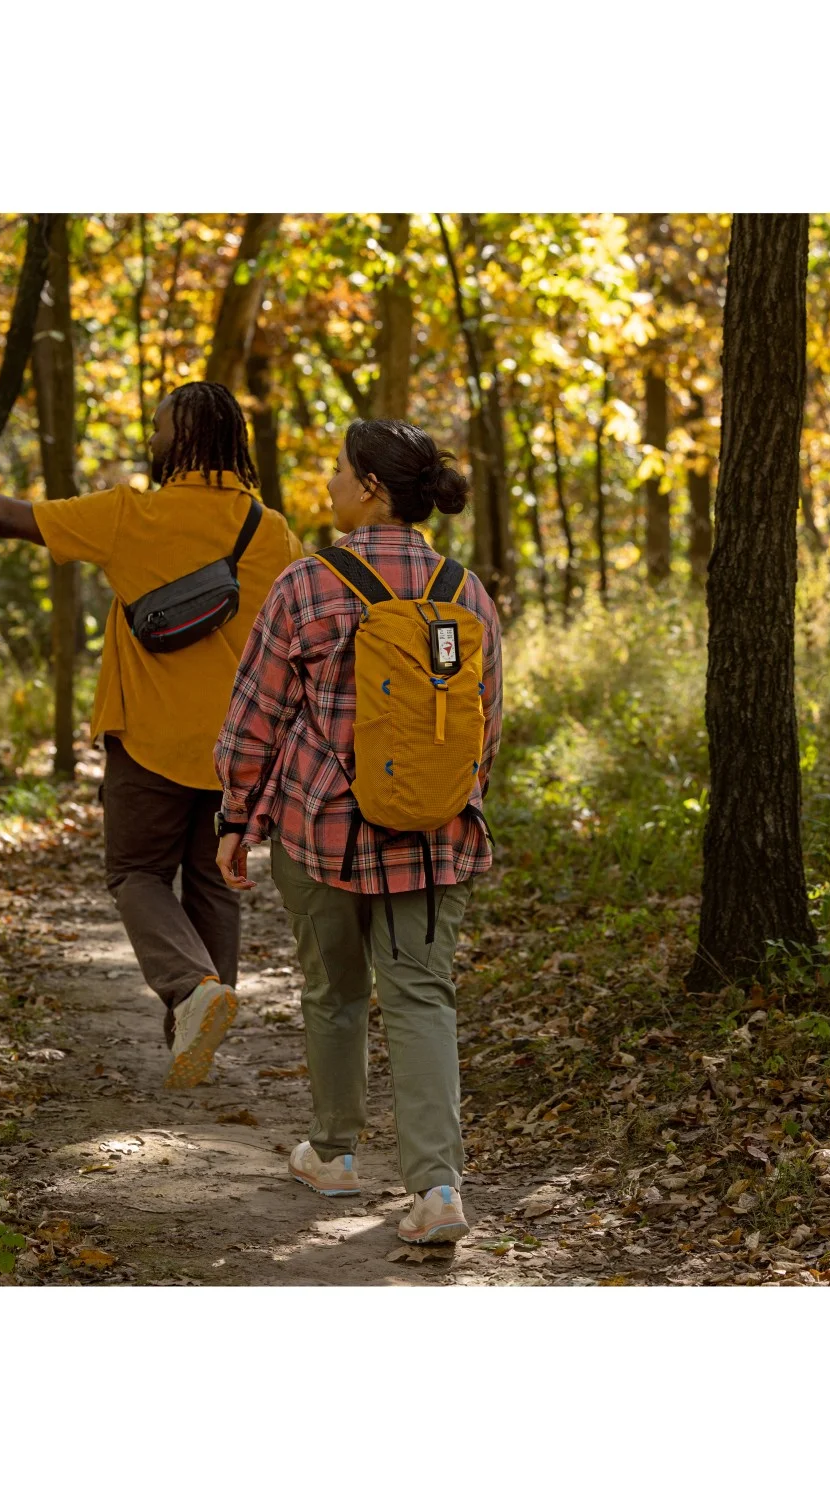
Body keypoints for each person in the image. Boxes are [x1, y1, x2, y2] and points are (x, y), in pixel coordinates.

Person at [0, 382, 303, 1087]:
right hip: (237, 748)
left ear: (184, 440)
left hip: (149, 738)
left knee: (135, 873)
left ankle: (193, 992)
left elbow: (10, 518)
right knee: (213, 883)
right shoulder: (272, 531)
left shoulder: (132, 514)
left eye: (160, 427)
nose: (151, 438)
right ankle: (195, 1026)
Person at [213, 419, 502, 1244]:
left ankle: (335, 1154)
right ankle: (437, 1190)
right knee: (421, 998)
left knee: (334, 991)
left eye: (340, 470)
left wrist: (236, 816)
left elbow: (255, 717)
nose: (330, 482)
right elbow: (485, 722)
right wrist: (448, 800)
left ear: (372, 485)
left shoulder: (307, 584)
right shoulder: (465, 592)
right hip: (431, 837)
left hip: (322, 832)